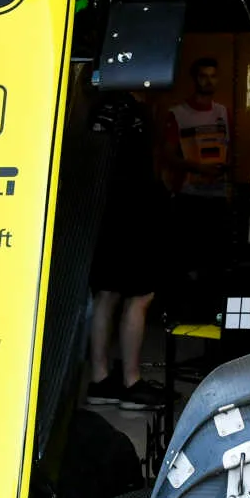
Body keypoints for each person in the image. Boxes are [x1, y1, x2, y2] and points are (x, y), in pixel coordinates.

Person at [84, 87, 166, 411]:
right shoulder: (132, 110)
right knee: (140, 296)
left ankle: (100, 379)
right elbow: (143, 164)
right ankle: (131, 381)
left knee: (106, 294)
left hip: (103, 209)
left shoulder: (100, 105)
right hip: (132, 210)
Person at [161, 56, 234, 317]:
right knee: (183, 260)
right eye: (203, 76)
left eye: (213, 76)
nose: (209, 81)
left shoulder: (223, 112)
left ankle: (210, 313)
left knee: (215, 262)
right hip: (188, 197)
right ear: (195, 79)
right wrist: (196, 167)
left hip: (217, 197)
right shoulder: (178, 113)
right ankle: (178, 314)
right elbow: (168, 155)